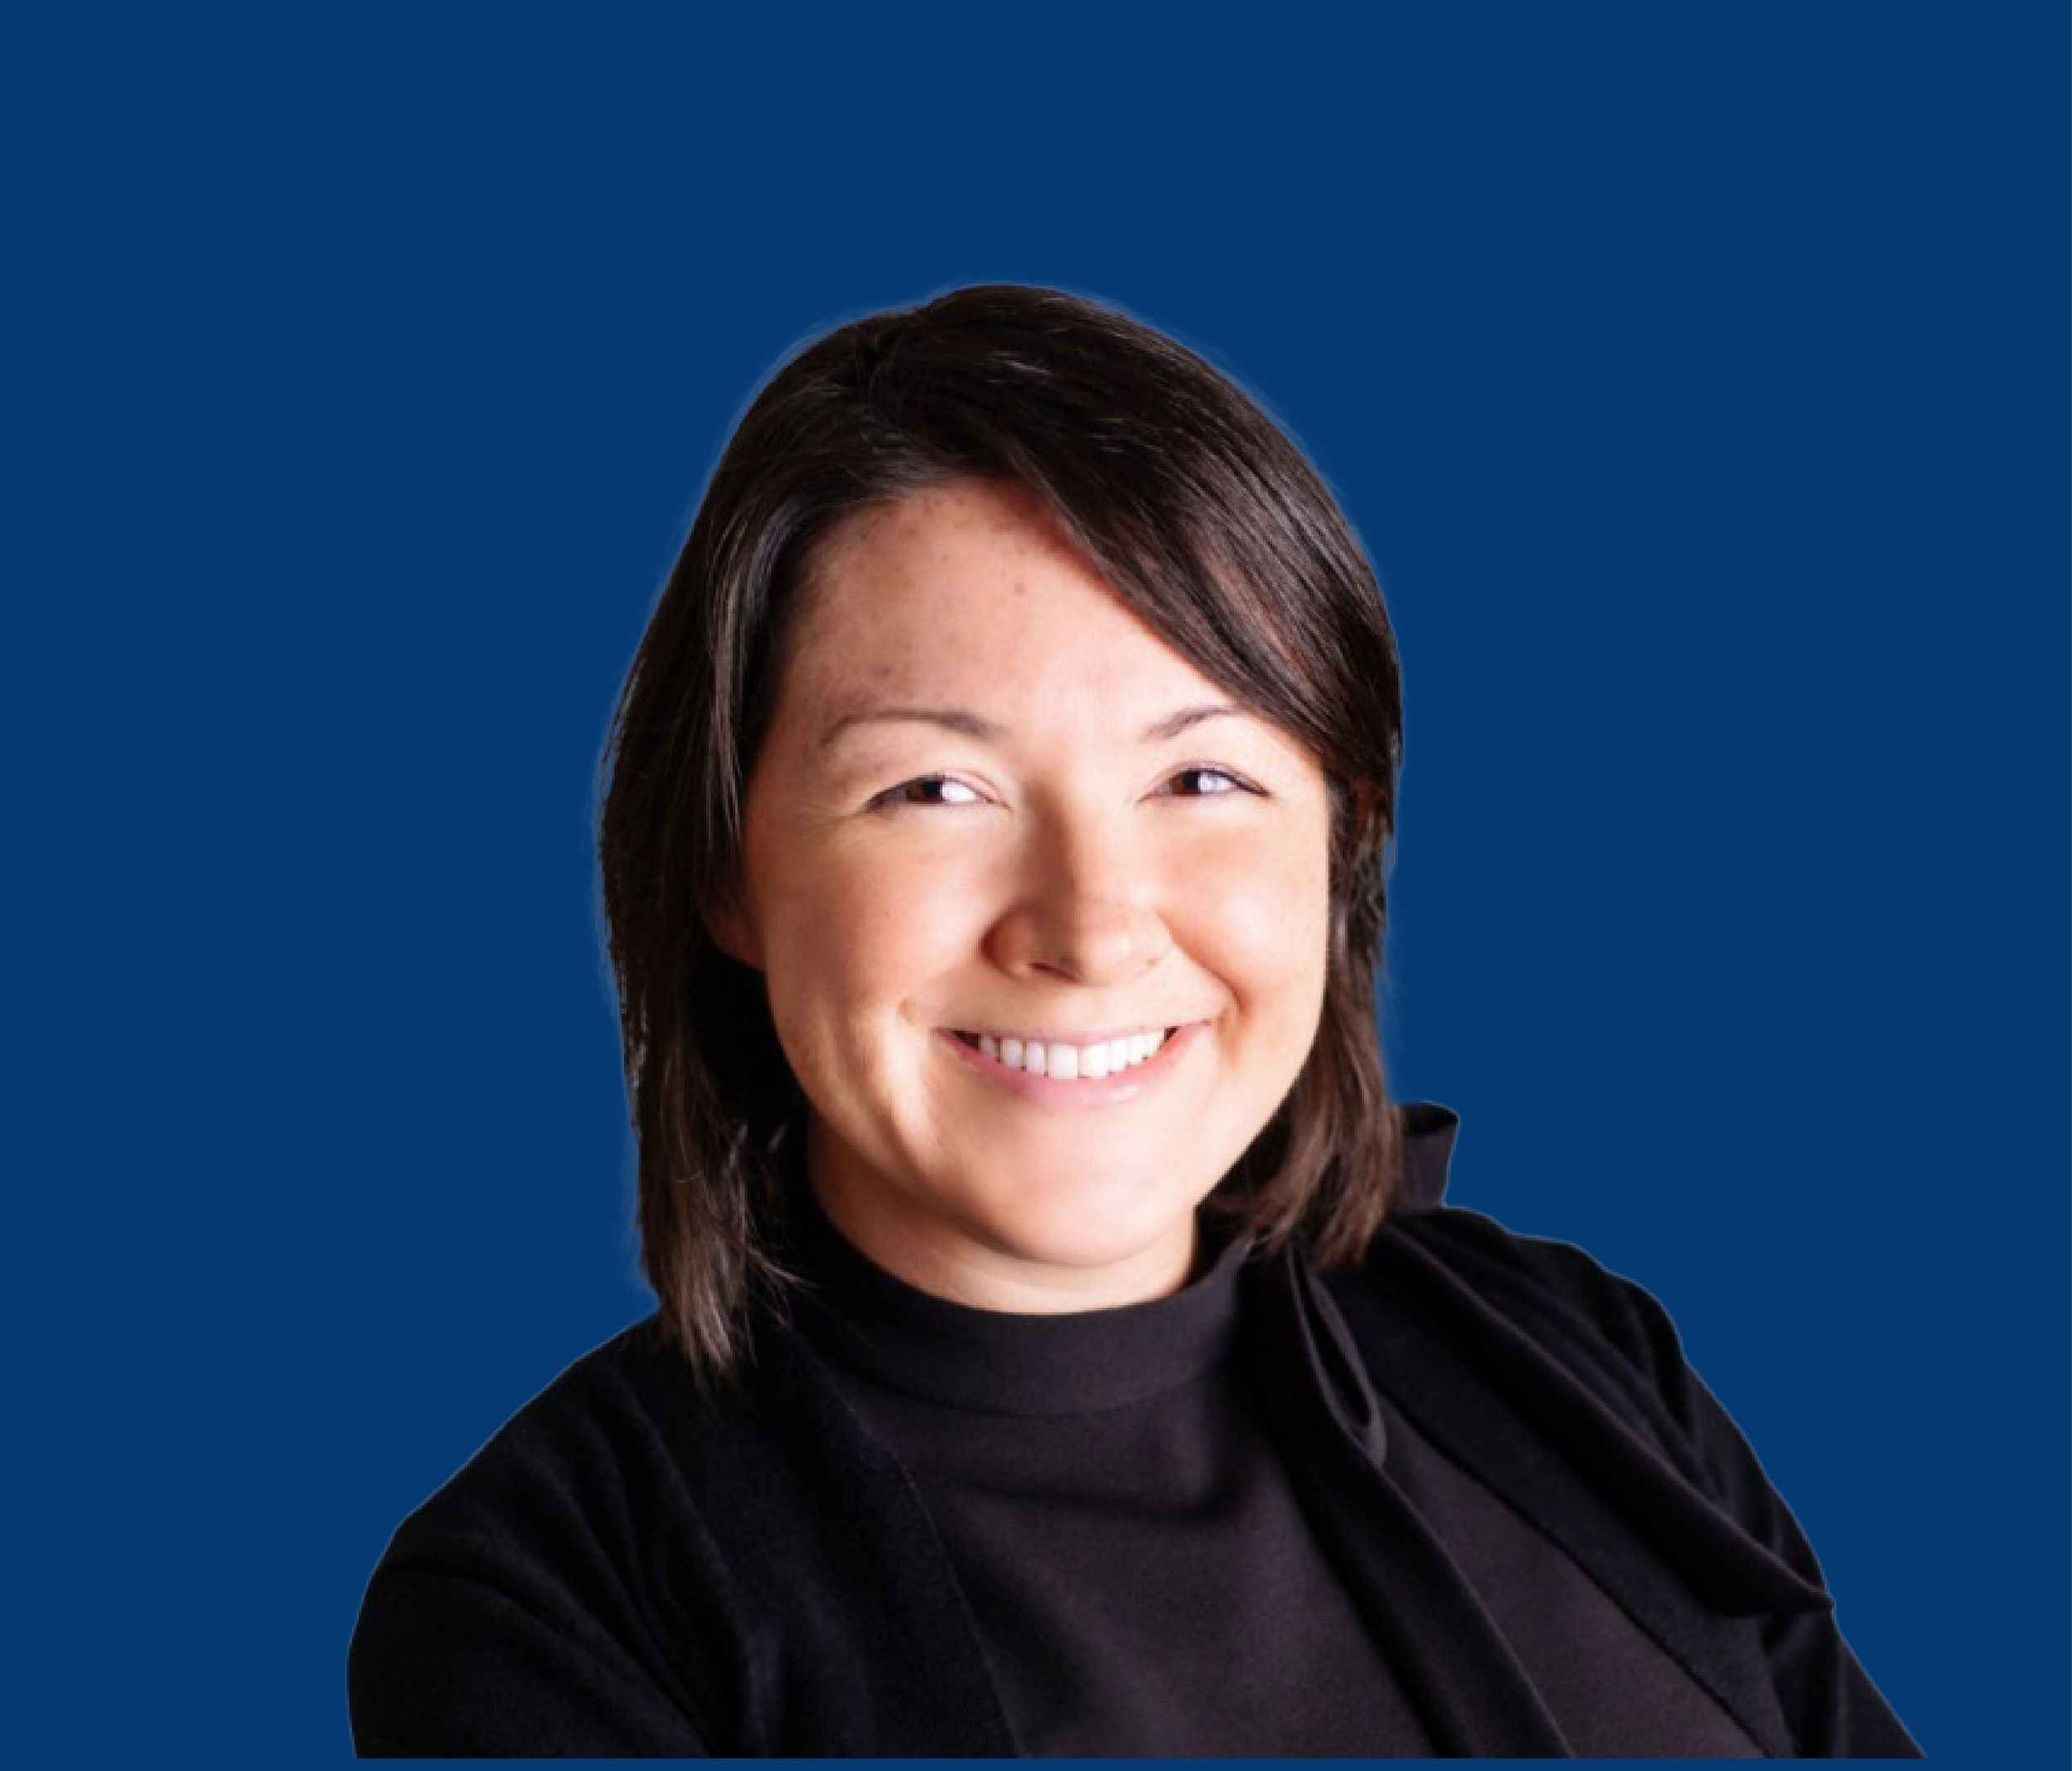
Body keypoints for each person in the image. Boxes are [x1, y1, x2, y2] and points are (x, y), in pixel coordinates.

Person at [347, 285, 1918, 1756]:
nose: (1092, 927)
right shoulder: (550, 1602)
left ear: (1341, 834)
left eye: (1203, 778)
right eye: (935, 789)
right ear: (726, 874)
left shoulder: (1571, 1353)